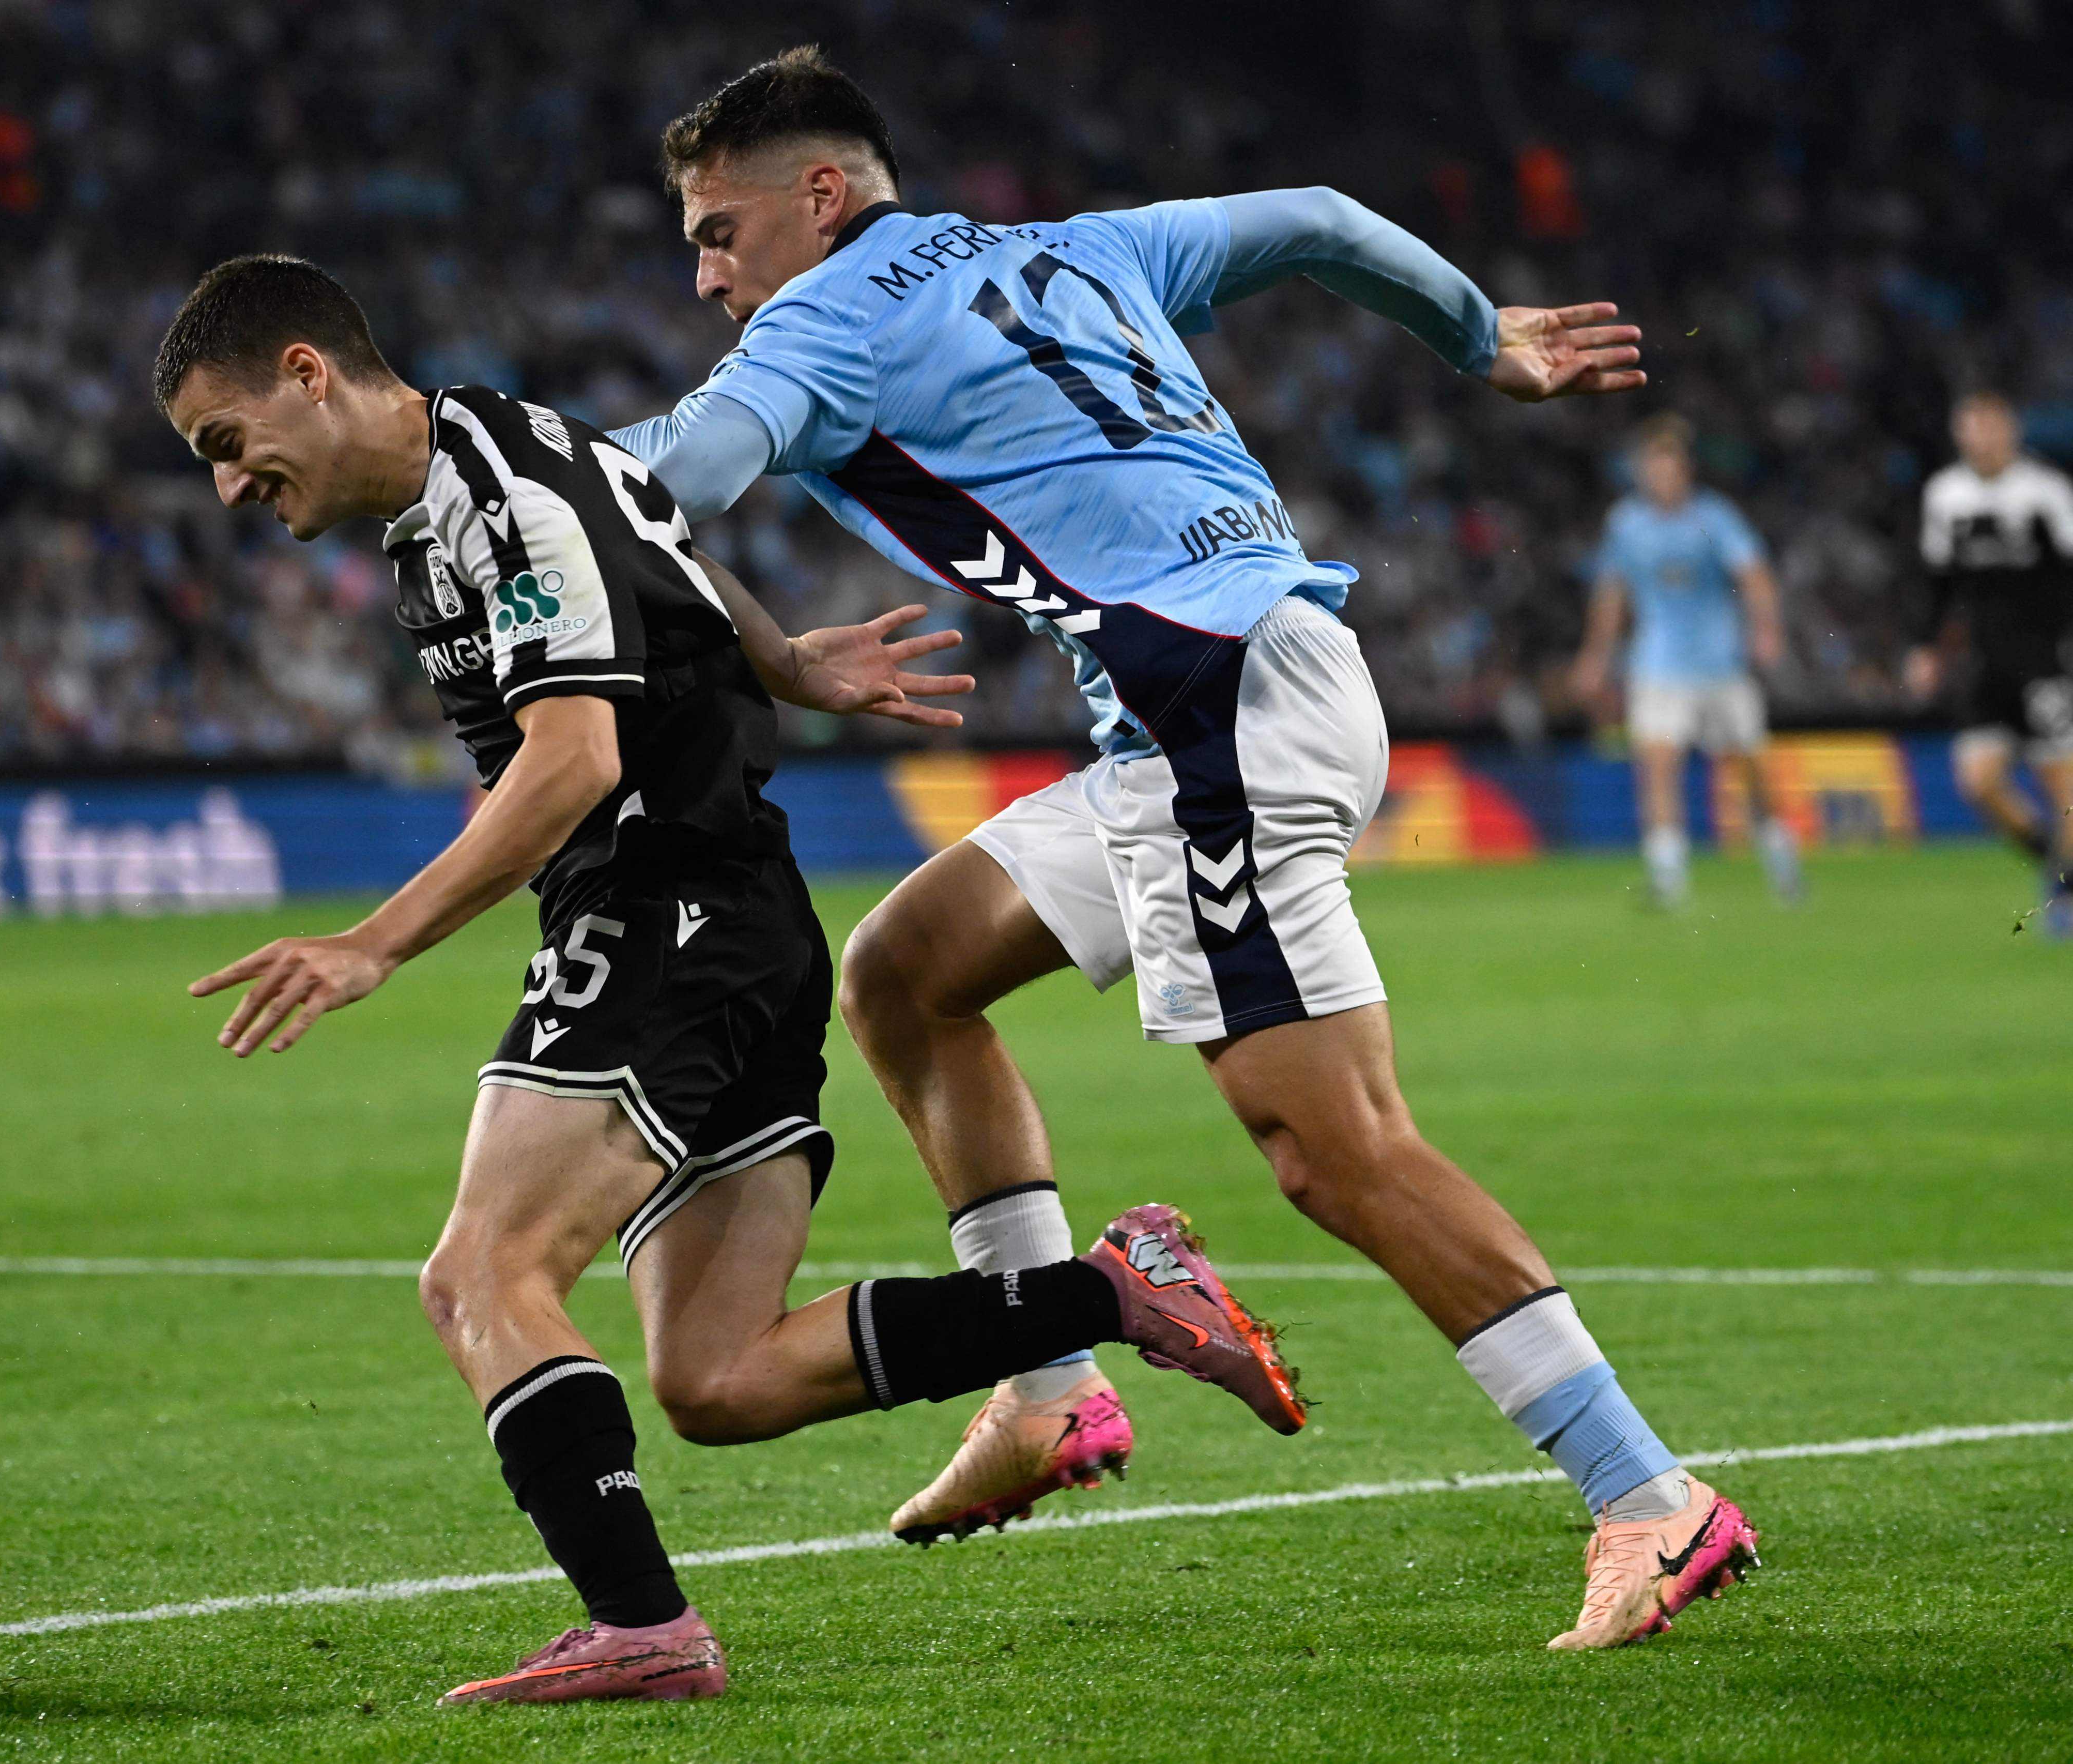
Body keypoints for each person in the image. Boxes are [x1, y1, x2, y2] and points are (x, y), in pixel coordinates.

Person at [609, 47, 1757, 1650]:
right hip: (1221, 696)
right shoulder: (1081, 244)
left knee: (1330, 1149)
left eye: (717, 233)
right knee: (904, 974)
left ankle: (1645, 1494)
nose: (705, 275)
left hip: (1214, 716)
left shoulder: (825, 319)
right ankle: (1045, 1388)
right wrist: (1475, 336)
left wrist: (476, 476)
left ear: (819, 196)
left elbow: (661, 485)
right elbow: (1320, 219)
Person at [153, 254, 1308, 1707]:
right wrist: (781, 661)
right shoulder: (500, 462)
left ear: (307, 372)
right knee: (716, 1376)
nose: (227, 487)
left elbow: (571, 761)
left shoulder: (499, 491)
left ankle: (641, 1625)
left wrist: (370, 940)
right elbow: (657, 534)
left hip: (664, 911)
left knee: (480, 1275)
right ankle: (1109, 1290)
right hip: (734, 917)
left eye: (225, 441)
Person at [1567, 415, 1801, 907]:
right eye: (1652, 469)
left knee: (1750, 770)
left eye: (1668, 468)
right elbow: (1611, 592)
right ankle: (1668, 878)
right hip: (1658, 662)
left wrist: (1766, 629)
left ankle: (1781, 859)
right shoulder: (1626, 524)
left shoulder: (1714, 517)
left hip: (1720, 662)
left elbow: (1754, 574)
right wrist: (1594, 656)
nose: (1660, 478)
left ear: (1685, 470)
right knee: (1657, 765)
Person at [1905, 391, 2073, 934]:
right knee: (1977, 782)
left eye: (1989, 426)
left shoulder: (2045, 492)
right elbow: (1938, 583)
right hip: (1985, 665)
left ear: (2010, 431)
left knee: (2063, 790)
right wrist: (1926, 647)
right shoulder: (1946, 495)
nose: (1979, 438)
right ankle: (2058, 866)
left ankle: (2063, 894)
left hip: (2046, 661)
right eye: (1969, 428)